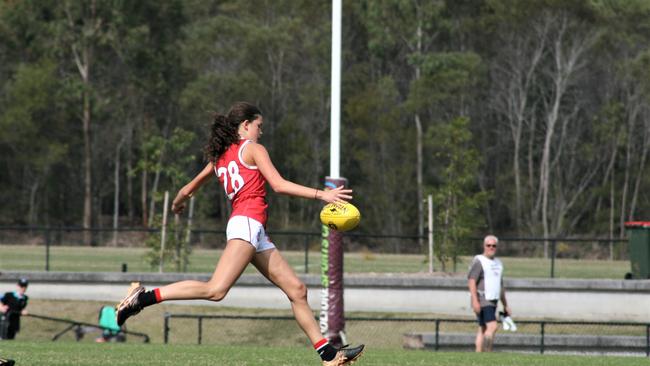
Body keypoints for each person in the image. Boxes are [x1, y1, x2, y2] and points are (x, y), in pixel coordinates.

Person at [116, 102, 364, 365]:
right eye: (259, 126)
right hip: (247, 223)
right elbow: (278, 185)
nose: (261, 132)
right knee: (215, 290)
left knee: (297, 290)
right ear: (245, 125)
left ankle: (328, 355)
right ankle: (141, 298)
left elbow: (188, 189)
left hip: (253, 230)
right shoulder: (253, 149)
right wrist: (322, 194)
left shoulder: (221, 156)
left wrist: (178, 203)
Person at [467, 235, 511, 352]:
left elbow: (500, 286)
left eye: (493, 246)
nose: (491, 247)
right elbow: (471, 281)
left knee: (483, 328)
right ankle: (487, 353)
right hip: (483, 300)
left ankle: (478, 355)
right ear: (484, 246)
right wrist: (475, 300)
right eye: (488, 245)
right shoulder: (479, 261)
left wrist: (505, 305)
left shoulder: (498, 263)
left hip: (493, 300)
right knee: (492, 326)